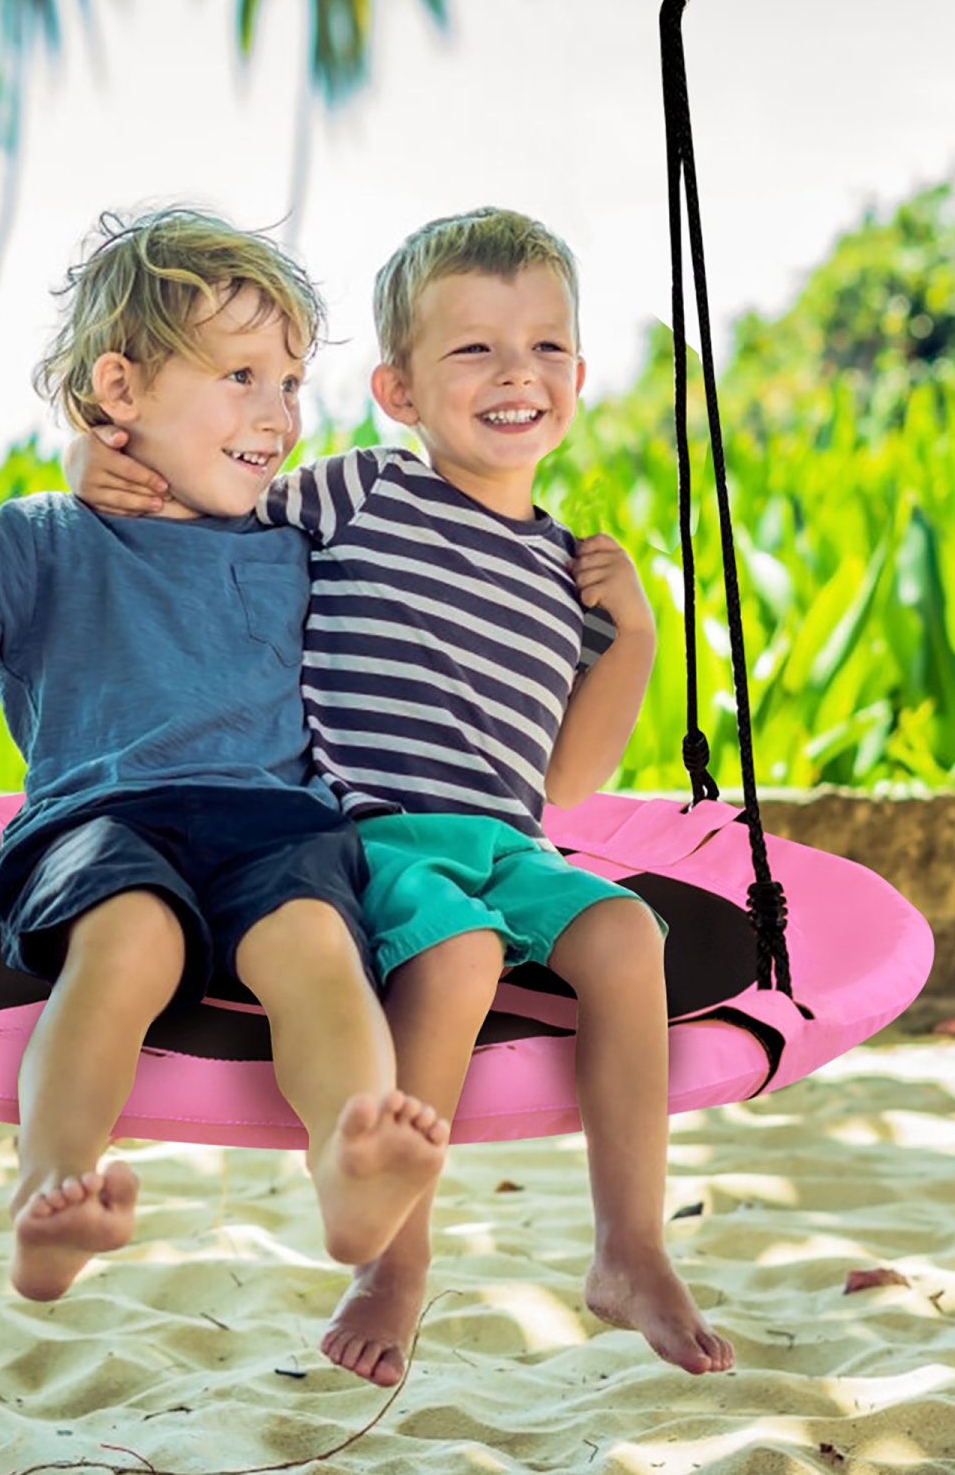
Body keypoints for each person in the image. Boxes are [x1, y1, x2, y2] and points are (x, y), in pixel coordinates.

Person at [67, 207, 737, 1380]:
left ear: (579, 376)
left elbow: (570, 780)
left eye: (546, 346)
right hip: (369, 833)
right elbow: (205, 505)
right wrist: (94, 463)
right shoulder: (366, 491)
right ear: (399, 390)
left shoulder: (566, 570)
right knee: (461, 953)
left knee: (628, 935)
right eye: (474, 349)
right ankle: (396, 1262)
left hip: (507, 841)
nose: (517, 372)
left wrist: (632, 632)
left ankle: (630, 1248)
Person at [0, 207, 449, 1305]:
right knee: (127, 941)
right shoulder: (45, 536)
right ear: (120, 390)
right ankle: (52, 1191)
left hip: (275, 826)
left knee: (318, 946)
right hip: (103, 823)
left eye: (290, 382)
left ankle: (350, 1165)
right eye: (241, 375)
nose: (277, 414)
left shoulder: (298, 538)